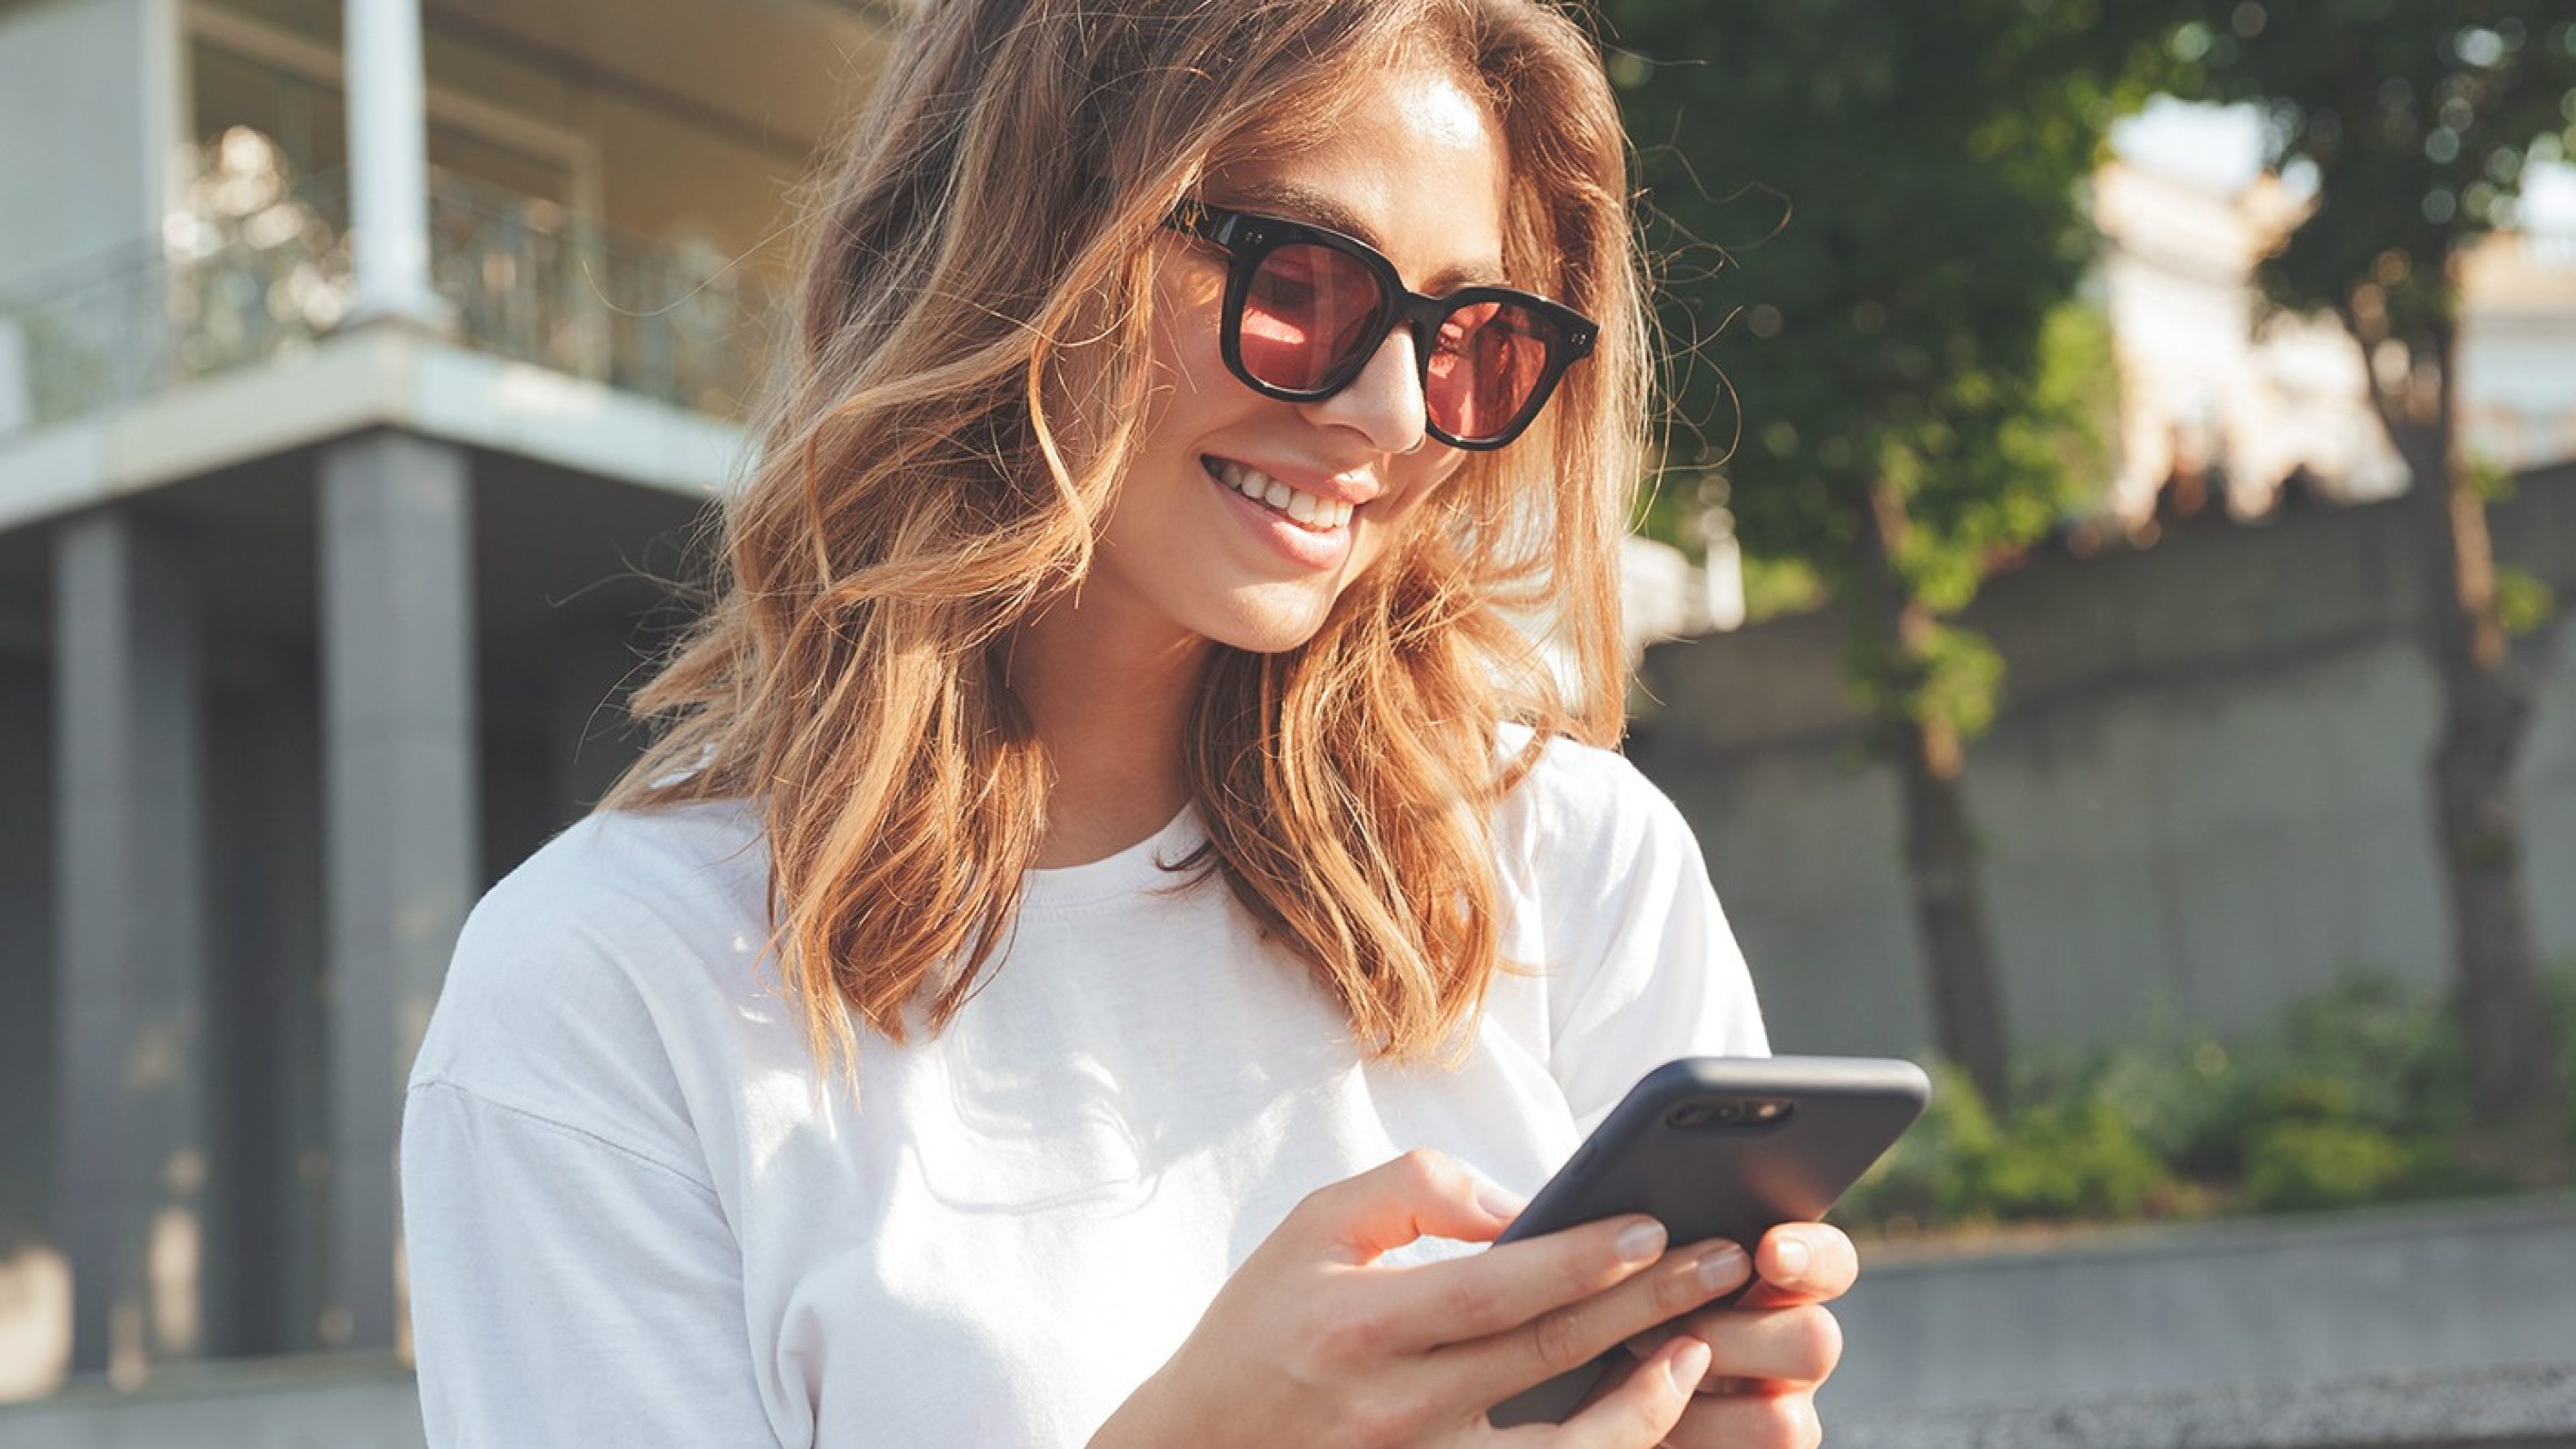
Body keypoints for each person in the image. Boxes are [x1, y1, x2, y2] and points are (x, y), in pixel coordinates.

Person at [398, 1, 1860, 1444]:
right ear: (1014, 245)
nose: (1397, 415)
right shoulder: (602, 992)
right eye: (1302, 281)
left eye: (1470, 337)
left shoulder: (1570, 861)